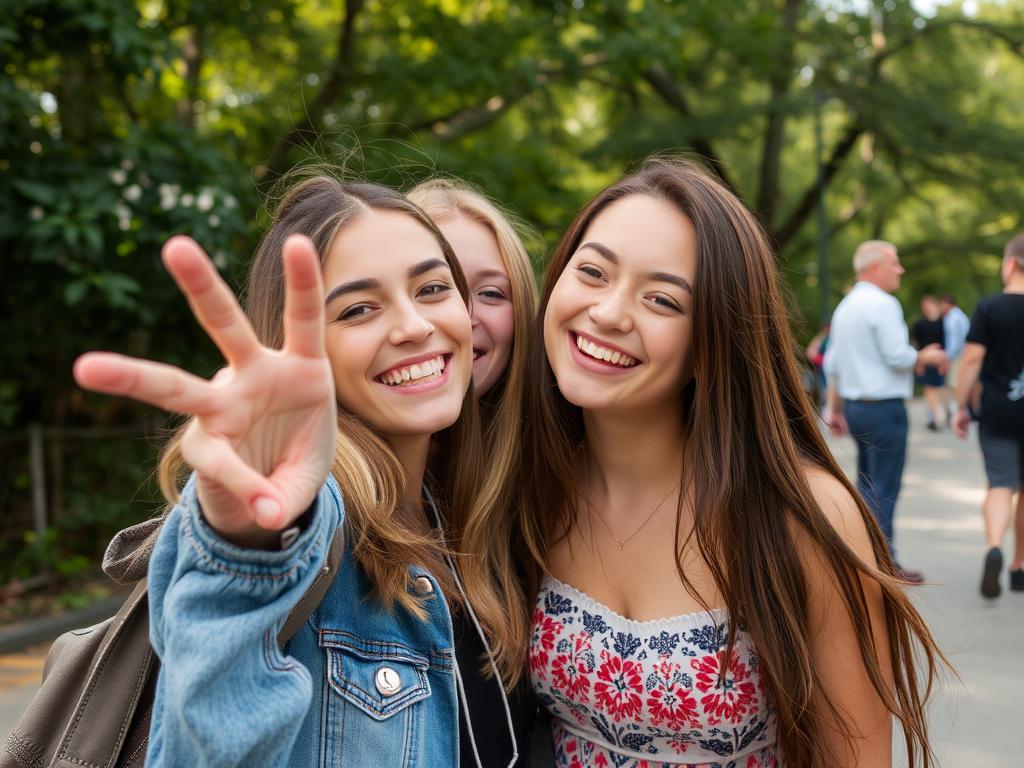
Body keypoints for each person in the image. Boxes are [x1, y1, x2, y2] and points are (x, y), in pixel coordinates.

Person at [73, 177, 533, 766]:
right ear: (299, 343)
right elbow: (209, 734)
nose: (415, 325)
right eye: (358, 309)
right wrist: (242, 544)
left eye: (433, 288)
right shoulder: (316, 514)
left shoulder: (465, 511)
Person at [520, 159, 944, 767]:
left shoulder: (800, 517)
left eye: (662, 300)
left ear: (712, 341)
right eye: (592, 271)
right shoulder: (528, 487)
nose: (610, 313)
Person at [823, 241, 947, 583]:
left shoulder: (845, 306)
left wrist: (834, 408)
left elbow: (832, 363)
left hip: (855, 406)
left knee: (864, 484)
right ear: (875, 267)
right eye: (895, 263)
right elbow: (898, 355)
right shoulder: (883, 304)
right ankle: (883, 560)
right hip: (885, 407)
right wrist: (928, 357)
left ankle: (860, 554)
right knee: (885, 485)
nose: (901, 270)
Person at [953, 234, 1024, 599]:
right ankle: (1018, 567)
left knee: (1000, 484)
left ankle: (995, 545)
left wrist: (961, 405)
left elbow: (972, 360)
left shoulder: (989, 307)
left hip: (998, 410)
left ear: (1010, 264)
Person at [910, 295, 947, 430]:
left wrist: (944, 362)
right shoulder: (919, 324)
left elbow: (946, 343)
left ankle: (936, 415)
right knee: (929, 389)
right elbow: (916, 345)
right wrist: (918, 363)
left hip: (939, 360)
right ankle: (935, 417)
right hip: (925, 360)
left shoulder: (944, 323)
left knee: (937, 389)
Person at [940, 293, 971, 418]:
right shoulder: (958, 316)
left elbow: (955, 341)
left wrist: (948, 356)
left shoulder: (954, 318)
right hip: (960, 353)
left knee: (955, 382)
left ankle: (958, 409)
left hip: (957, 355)